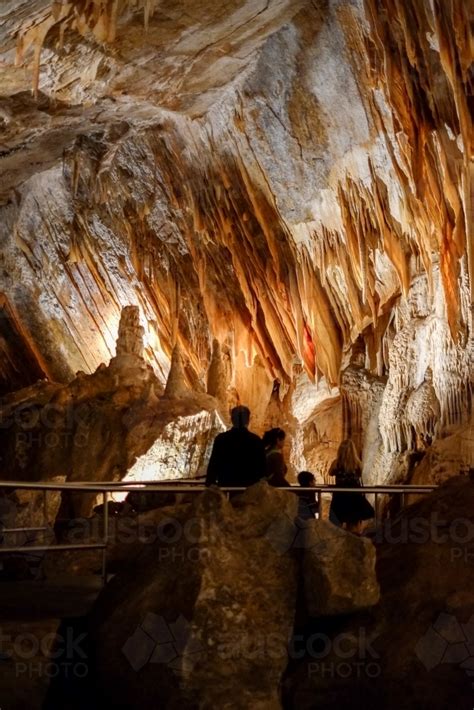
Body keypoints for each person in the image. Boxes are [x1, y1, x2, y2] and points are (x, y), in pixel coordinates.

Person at [205, 406, 266, 489]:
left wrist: (210, 483)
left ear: (232, 420)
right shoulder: (256, 441)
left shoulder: (221, 439)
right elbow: (262, 469)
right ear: (248, 420)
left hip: (226, 487)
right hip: (249, 490)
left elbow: (214, 465)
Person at [328, 439, 374, 534]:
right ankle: (355, 542)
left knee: (338, 521)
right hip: (354, 496)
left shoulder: (336, 464)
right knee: (354, 522)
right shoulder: (357, 464)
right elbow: (360, 474)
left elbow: (330, 472)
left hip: (340, 497)